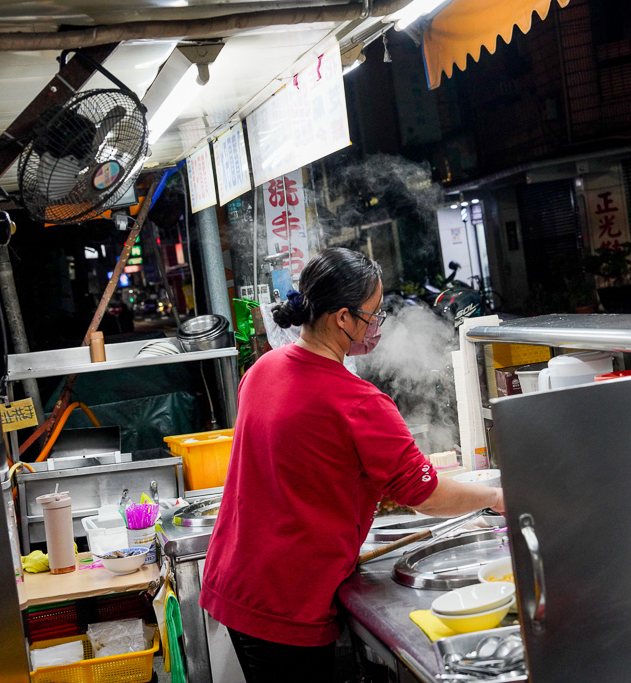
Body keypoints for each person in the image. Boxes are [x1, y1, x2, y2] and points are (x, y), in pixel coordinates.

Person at [200, 247, 504, 683]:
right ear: (344, 318)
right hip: (287, 602)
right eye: (374, 313)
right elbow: (425, 495)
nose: (379, 324)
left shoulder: (263, 369)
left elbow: (301, 467)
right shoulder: (356, 401)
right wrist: (495, 496)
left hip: (234, 581)